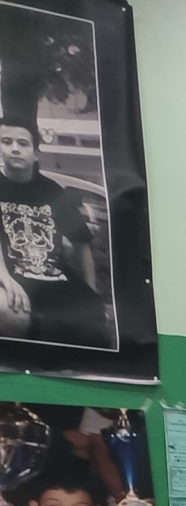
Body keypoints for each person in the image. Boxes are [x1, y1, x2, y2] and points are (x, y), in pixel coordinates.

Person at [0, 108, 106, 346]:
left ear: (36, 153)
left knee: (93, 322)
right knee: (5, 311)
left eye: (23, 143)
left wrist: (91, 291)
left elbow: (82, 244)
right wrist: (4, 278)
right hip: (12, 279)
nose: (14, 148)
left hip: (56, 281)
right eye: (6, 142)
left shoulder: (53, 191)